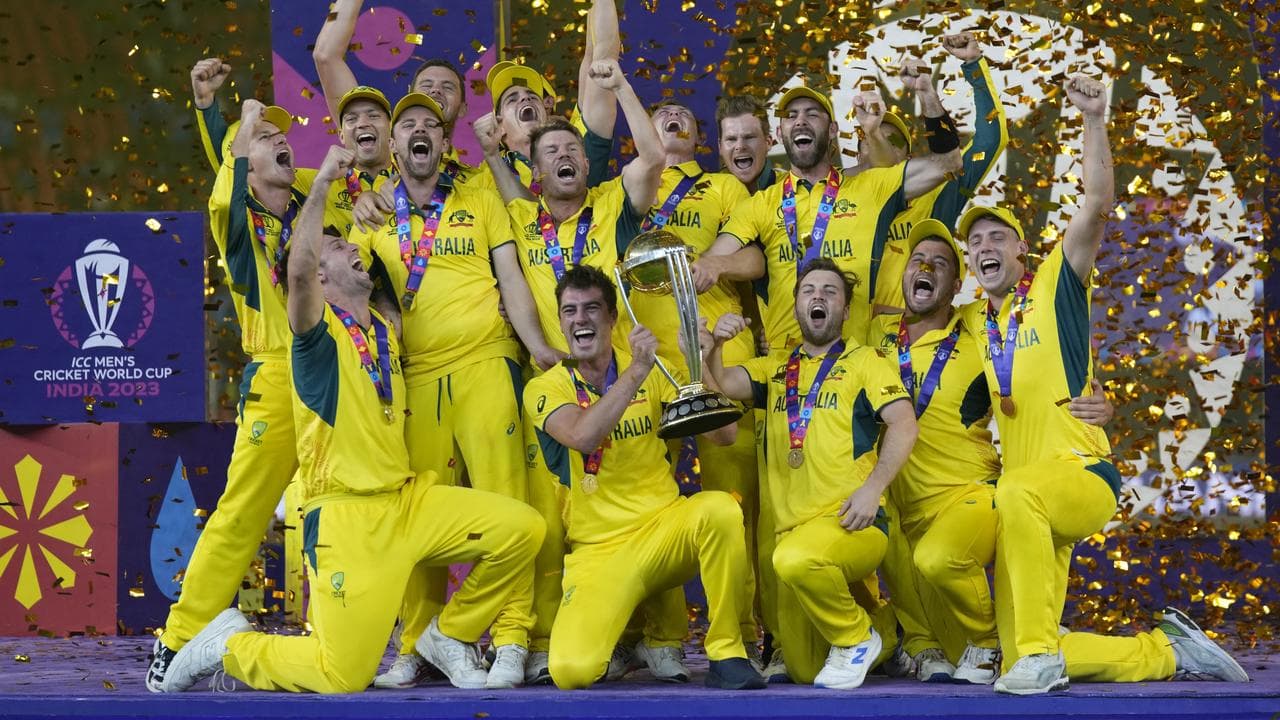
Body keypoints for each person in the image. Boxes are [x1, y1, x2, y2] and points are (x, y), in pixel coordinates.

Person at [155, 143, 545, 694]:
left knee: (523, 528)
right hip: (348, 520)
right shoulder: (314, 339)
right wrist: (320, 186)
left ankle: (449, 633)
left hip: (407, 504)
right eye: (338, 246)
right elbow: (297, 273)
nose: (352, 248)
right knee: (343, 675)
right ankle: (229, 646)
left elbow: (419, 286)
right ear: (318, 275)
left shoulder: (384, 330)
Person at [958, 75, 1248, 694]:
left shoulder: (1055, 280)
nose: (984, 246)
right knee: (1017, 654)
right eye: (974, 241)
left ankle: (1041, 654)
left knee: (1016, 497)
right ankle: (1165, 652)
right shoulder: (975, 323)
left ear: (1020, 249)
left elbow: (1095, 203)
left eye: (996, 236)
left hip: (1080, 474)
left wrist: (1094, 119)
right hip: (1029, 507)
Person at [347, 92, 558, 688]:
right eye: (407, 124)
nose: (419, 131)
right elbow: (353, 289)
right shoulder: (373, 212)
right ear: (394, 145)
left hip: (486, 360)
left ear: (444, 144)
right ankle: (416, 644)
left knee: (509, 503)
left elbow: (512, 278)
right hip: (416, 376)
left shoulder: (480, 198)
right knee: (420, 512)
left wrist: (538, 348)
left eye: (431, 125)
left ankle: (511, 639)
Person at [501, 58, 691, 685]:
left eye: (572, 149)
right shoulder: (519, 220)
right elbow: (515, 288)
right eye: (549, 152)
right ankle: (552, 635)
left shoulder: (613, 203)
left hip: (631, 369)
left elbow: (654, 156)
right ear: (534, 172)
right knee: (558, 516)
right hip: (559, 385)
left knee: (652, 498)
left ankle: (662, 637)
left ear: (587, 163)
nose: (563, 156)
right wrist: (537, 346)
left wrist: (623, 86)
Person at [865, 219, 1113, 684]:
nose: (926, 269)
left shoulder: (974, 329)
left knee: (954, 566)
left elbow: (1053, 358)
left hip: (996, 492)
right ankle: (1163, 652)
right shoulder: (880, 333)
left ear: (957, 284)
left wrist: (1102, 400)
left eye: (941, 263)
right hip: (936, 504)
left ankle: (1001, 643)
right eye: (918, 260)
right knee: (1012, 656)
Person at [525, 265, 766, 691]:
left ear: (612, 317)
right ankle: (637, 639)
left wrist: (699, 360)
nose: (580, 319)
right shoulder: (546, 387)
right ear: (560, 321)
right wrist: (635, 371)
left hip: (663, 533)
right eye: (569, 311)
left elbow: (724, 434)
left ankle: (727, 652)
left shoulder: (656, 371)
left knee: (720, 510)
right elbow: (583, 436)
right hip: (600, 551)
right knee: (571, 671)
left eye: (591, 309)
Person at [146, 98, 313, 693]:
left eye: (279, 134)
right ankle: (177, 637)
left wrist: (212, 110)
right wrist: (233, 121)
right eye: (263, 138)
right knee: (242, 513)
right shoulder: (235, 219)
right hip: (277, 376)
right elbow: (228, 179)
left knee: (337, 505)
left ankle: (342, 636)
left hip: (335, 371)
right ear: (243, 162)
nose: (279, 140)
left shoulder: (309, 198)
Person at [703, 258, 918, 688]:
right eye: (808, 290)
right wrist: (714, 348)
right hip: (793, 535)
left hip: (852, 521)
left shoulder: (866, 361)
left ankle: (857, 639)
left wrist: (872, 489)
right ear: (798, 306)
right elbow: (721, 385)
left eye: (830, 291)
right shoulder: (774, 368)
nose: (818, 296)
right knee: (802, 668)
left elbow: (904, 423)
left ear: (845, 309)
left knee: (797, 558)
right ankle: (887, 629)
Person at [695, 72, 962, 361]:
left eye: (812, 114)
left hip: (853, 364)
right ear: (781, 133)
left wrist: (926, 92)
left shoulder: (870, 187)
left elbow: (948, 163)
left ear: (833, 129)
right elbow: (711, 260)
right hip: (784, 369)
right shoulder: (760, 204)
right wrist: (705, 266)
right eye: (791, 116)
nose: (800, 121)